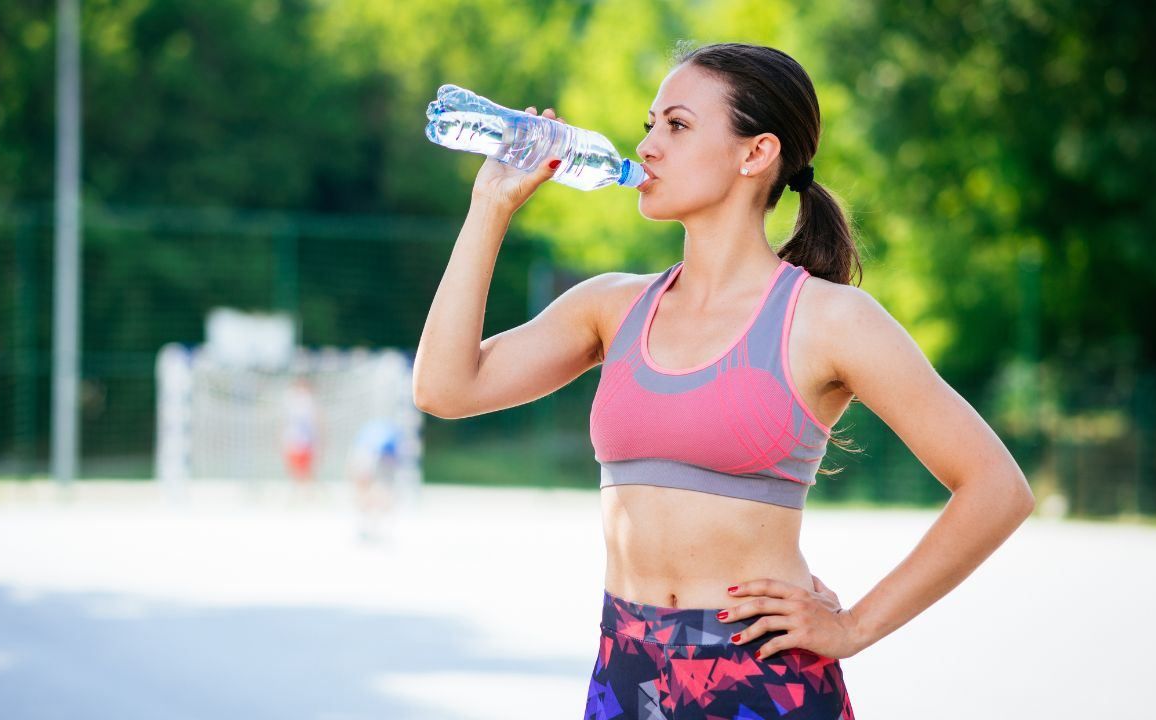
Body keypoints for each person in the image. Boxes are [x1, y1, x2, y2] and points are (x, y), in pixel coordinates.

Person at [413, 41, 1034, 719]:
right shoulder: (610, 308)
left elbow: (997, 488)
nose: (648, 145)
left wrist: (855, 626)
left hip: (761, 680)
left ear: (755, 153)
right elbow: (445, 389)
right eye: (650, 124)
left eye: (677, 126)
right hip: (625, 675)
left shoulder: (829, 320)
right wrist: (490, 206)